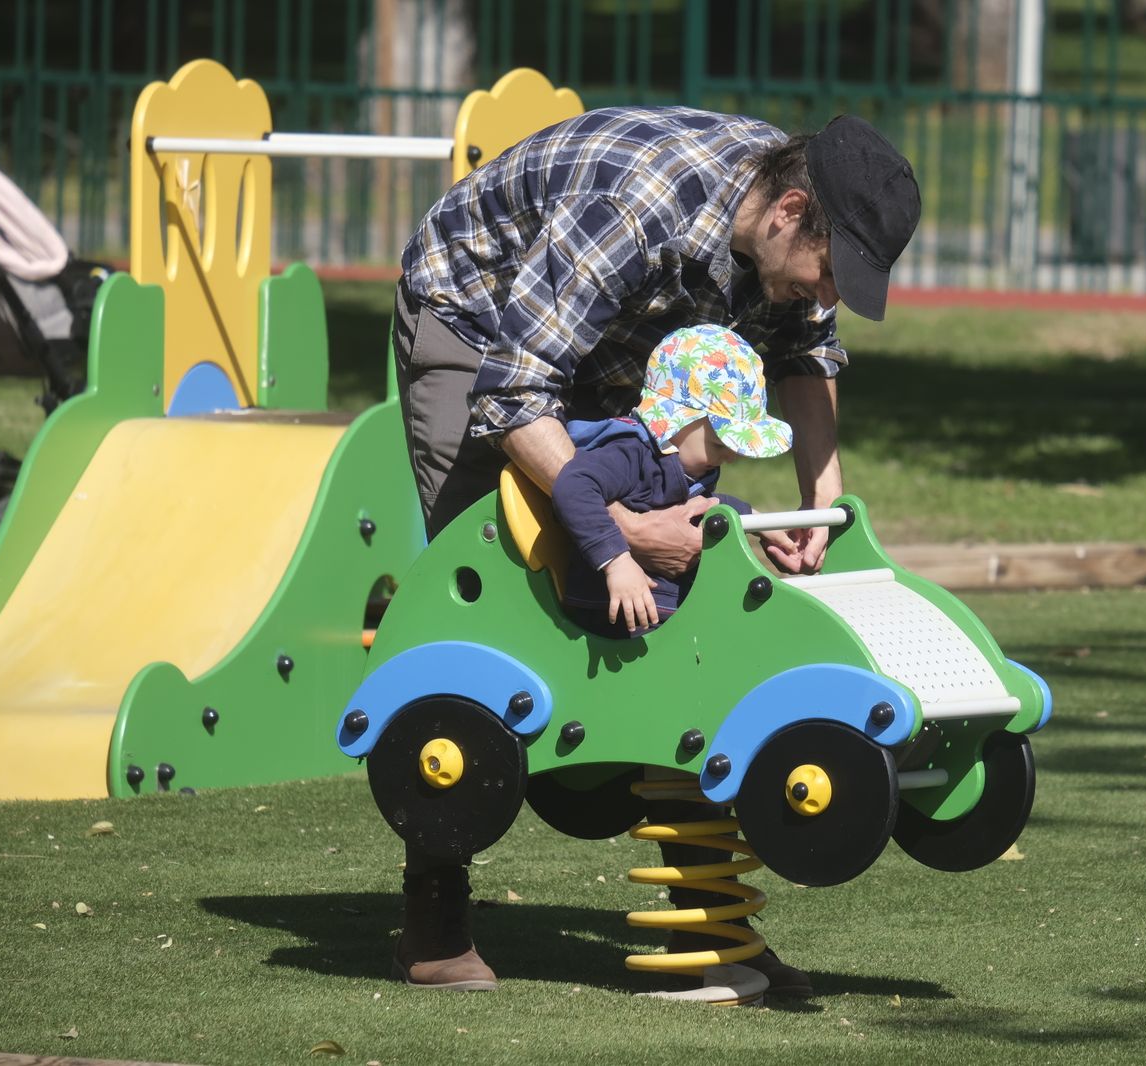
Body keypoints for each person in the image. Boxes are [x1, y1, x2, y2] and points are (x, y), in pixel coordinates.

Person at [389, 103, 920, 995]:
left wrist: (818, 506)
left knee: (690, 618)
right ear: (790, 213)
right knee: (480, 606)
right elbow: (514, 392)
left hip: (621, 344)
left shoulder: (780, 232)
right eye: (831, 271)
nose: (829, 295)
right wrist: (626, 533)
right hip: (479, 323)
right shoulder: (636, 206)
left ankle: (710, 932)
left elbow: (806, 354)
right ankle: (432, 917)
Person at [553, 324, 792, 639]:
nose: (731, 457)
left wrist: (758, 522)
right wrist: (616, 561)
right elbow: (574, 484)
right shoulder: (631, 453)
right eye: (720, 444)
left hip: (667, 614)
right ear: (675, 420)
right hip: (618, 613)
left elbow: (702, 506)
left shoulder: (687, 464)